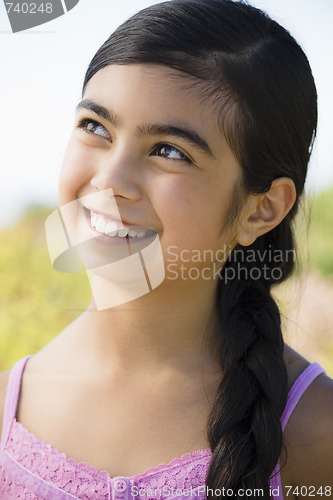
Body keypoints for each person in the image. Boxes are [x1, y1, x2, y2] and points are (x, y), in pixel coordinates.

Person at [0, 0, 332, 498]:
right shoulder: (6, 407)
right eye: (95, 127)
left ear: (261, 209)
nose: (110, 181)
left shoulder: (312, 432)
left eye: (169, 152)